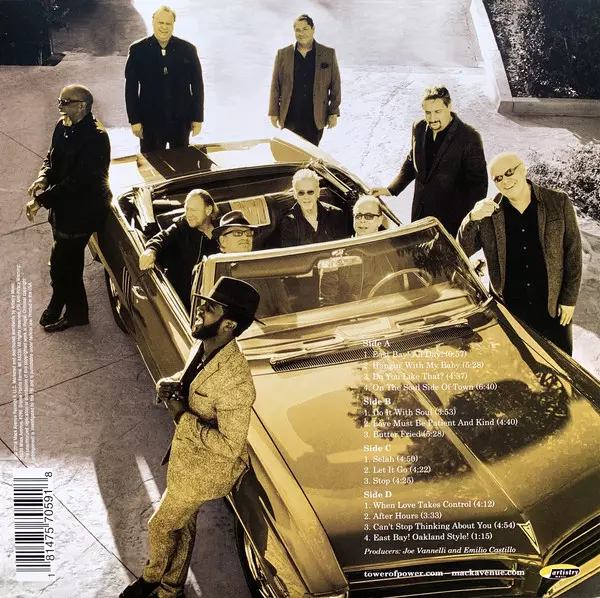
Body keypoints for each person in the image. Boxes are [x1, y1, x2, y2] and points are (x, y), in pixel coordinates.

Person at [119, 276, 261, 598]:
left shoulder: (237, 382)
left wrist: (182, 417)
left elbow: (230, 446)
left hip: (206, 470)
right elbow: (191, 380)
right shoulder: (206, 342)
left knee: (160, 525)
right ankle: (171, 589)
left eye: (210, 308)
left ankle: (151, 578)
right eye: (204, 302)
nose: (200, 309)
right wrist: (169, 383)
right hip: (188, 458)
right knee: (183, 525)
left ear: (229, 325)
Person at [457, 152, 582, 355]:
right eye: (498, 178)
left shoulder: (558, 202)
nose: (505, 181)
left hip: (552, 307)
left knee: (561, 363)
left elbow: (573, 252)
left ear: (523, 169)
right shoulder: (488, 211)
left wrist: (569, 300)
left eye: (509, 172)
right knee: (519, 364)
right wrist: (471, 218)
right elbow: (463, 249)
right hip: (510, 309)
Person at [26, 84, 111, 332]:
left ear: (81, 106)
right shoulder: (62, 126)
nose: (59, 106)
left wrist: (41, 200)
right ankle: (59, 302)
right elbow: (50, 157)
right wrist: (43, 177)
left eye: (65, 102)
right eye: (59, 101)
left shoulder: (96, 137)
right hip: (63, 210)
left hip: (82, 213)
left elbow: (78, 182)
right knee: (61, 263)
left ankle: (76, 314)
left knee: (66, 266)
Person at [372, 85, 488, 237]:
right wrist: (391, 189)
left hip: (451, 223)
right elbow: (412, 160)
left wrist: (468, 227)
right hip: (420, 216)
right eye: (428, 113)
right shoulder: (419, 127)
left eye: (438, 112)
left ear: (449, 107)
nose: (432, 119)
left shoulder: (469, 137)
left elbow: (478, 187)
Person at [125, 5, 204, 152]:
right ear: (153, 22)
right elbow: (131, 89)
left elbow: (198, 86)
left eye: (168, 23)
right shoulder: (138, 50)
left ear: (173, 24)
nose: (164, 27)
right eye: (160, 22)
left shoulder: (188, 50)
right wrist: (134, 120)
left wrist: (198, 118)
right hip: (150, 122)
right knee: (151, 162)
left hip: (181, 121)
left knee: (182, 161)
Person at [268, 14, 341, 146]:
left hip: (315, 117)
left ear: (313, 29)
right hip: (290, 115)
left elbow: (335, 85)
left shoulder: (328, 54)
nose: (301, 33)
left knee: (310, 152)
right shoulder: (283, 54)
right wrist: (274, 112)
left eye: (305, 29)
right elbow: (275, 85)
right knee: (289, 151)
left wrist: (333, 112)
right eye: (298, 30)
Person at [140, 189, 220, 310]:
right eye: (187, 209)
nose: (189, 214)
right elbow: (162, 237)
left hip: (215, 298)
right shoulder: (181, 227)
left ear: (208, 210)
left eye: (194, 210)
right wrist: (151, 250)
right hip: (185, 303)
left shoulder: (221, 230)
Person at [208, 211, 292, 317]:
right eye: (237, 233)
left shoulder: (265, 269)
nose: (245, 237)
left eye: (249, 233)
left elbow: (283, 309)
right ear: (223, 240)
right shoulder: (212, 269)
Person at [320, 196, 398, 305]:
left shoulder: (394, 250)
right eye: (358, 216)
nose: (362, 220)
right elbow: (327, 301)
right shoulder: (336, 256)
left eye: (369, 216)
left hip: (393, 309)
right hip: (355, 313)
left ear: (380, 220)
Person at [280, 168, 348, 247]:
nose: (306, 197)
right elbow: (292, 254)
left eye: (310, 192)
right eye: (301, 193)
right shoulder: (289, 222)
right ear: (295, 195)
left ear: (318, 192)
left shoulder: (336, 214)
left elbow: (343, 247)